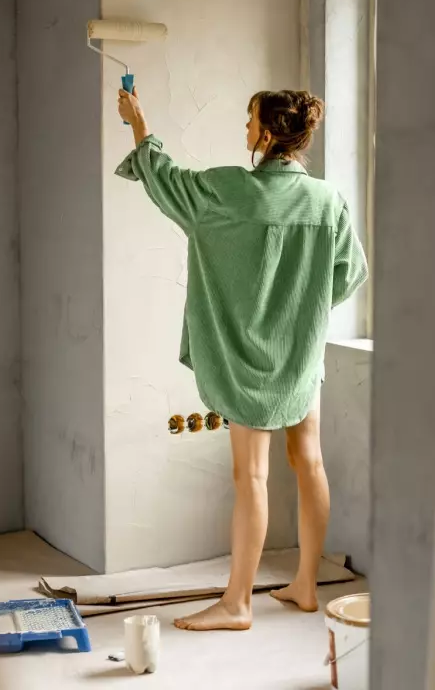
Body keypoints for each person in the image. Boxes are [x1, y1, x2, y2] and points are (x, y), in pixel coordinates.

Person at [115, 87, 368, 632]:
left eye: (250, 121)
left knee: (252, 475)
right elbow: (348, 276)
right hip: (301, 358)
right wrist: (301, 311)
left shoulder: (226, 192)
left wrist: (139, 121)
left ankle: (237, 603)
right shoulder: (329, 201)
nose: (244, 129)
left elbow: (164, 180)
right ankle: (305, 584)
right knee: (310, 463)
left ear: (269, 134)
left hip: (248, 365)